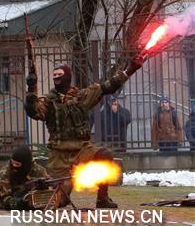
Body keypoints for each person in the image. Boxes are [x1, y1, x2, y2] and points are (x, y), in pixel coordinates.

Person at [24, 55, 144, 208]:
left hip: (82, 150)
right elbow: (33, 111)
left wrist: (130, 70)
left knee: (104, 155)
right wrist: (31, 89)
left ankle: (102, 199)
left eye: (59, 75)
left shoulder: (82, 96)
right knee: (58, 201)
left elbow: (108, 86)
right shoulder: (48, 101)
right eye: (54, 76)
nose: (56, 79)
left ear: (67, 77)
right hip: (59, 156)